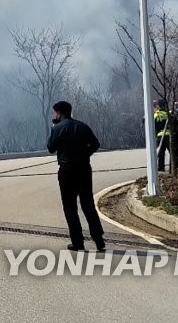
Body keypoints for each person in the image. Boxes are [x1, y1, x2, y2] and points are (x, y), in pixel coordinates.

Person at [47, 100, 106, 252]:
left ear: (59, 113)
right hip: (84, 168)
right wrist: (85, 154)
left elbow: (51, 148)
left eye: (56, 112)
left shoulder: (57, 128)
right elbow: (95, 144)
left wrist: (54, 129)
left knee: (70, 207)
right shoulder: (83, 126)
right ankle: (98, 239)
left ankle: (78, 242)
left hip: (66, 170)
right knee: (88, 204)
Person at [153, 98, 171, 172]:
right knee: (173, 153)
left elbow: (154, 125)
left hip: (160, 135)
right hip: (169, 135)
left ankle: (161, 168)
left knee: (161, 154)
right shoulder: (169, 114)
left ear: (158, 106)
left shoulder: (157, 115)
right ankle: (174, 167)